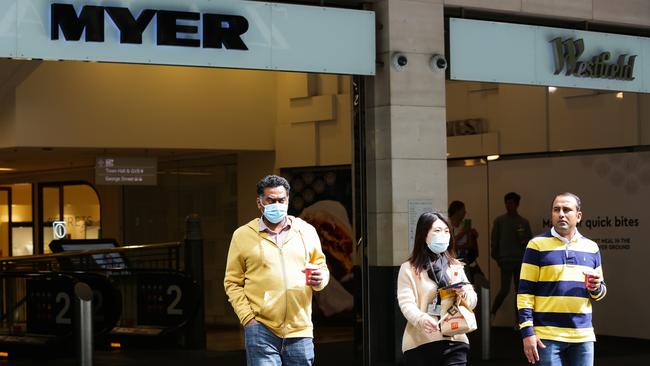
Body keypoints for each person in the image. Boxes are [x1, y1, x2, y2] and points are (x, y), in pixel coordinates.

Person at [224, 175, 329, 366]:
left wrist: (320, 278)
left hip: (300, 329)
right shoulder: (243, 235)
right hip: (261, 328)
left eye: (281, 200)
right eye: (271, 200)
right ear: (260, 203)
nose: (277, 204)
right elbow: (232, 282)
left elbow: (321, 268)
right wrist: (248, 318)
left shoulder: (306, 231)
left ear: (288, 200)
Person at [517, 192, 606, 365]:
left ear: (578, 216)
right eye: (556, 210)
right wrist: (527, 332)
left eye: (567, 209)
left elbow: (600, 293)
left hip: (583, 335)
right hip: (546, 336)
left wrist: (596, 288)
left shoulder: (591, 248)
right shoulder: (536, 245)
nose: (561, 214)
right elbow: (524, 293)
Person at [397, 212, 477, 366]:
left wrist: (465, 294)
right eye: (437, 231)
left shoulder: (455, 266)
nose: (444, 235)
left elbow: (472, 300)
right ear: (423, 235)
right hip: (420, 343)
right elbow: (406, 303)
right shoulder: (409, 269)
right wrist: (421, 318)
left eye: (447, 231)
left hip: (456, 339)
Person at [490, 192, 532, 320]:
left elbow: (530, 242)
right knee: (505, 289)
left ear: (517, 204)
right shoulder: (499, 221)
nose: (509, 206)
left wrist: (523, 240)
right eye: (507, 203)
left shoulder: (523, 222)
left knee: (519, 292)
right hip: (506, 260)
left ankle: (518, 321)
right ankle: (492, 313)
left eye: (512, 203)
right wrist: (497, 257)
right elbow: (494, 241)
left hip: (520, 259)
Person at [448, 201, 487, 287]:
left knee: (472, 282)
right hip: (453, 259)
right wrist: (464, 232)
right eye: (463, 210)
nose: (465, 213)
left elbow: (469, 245)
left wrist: (470, 234)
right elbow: (450, 243)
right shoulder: (448, 224)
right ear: (457, 211)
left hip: (466, 258)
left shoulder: (464, 224)